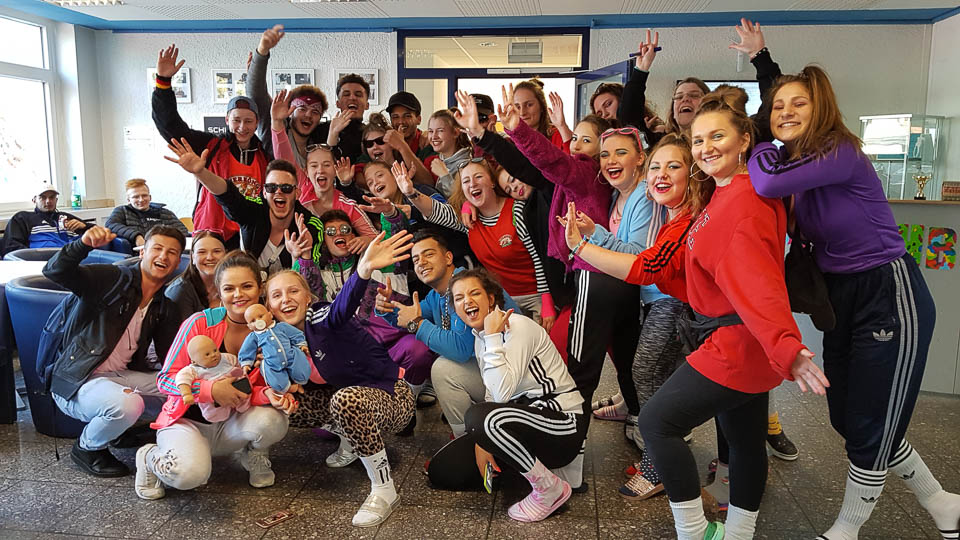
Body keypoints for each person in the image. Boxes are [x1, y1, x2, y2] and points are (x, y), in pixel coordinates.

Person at [750, 65, 960, 540]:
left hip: (888, 291)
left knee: (870, 421)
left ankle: (848, 527)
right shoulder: (797, 164)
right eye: (777, 106)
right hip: (842, 295)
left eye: (798, 103)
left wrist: (760, 140)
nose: (785, 112)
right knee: (848, 417)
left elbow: (765, 182)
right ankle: (942, 502)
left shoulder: (838, 150)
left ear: (820, 107)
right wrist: (764, 68)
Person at [634, 89, 828, 540]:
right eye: (698, 140)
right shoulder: (728, 192)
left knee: (657, 422)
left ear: (744, 140)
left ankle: (694, 532)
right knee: (743, 440)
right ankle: (738, 533)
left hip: (738, 343)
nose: (705, 148)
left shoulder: (742, 202)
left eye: (717, 136)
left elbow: (757, 281)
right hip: (740, 338)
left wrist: (785, 344)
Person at [561, 133, 710, 500]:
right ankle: (662, 454)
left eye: (673, 166)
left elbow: (646, 265)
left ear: (692, 174)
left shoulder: (681, 218)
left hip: (672, 303)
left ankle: (661, 464)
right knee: (650, 377)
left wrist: (582, 246)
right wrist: (594, 234)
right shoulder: (671, 215)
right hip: (661, 301)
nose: (660, 175)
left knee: (647, 375)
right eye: (657, 167)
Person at [272, 231, 417, 527]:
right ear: (268, 306)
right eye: (276, 295)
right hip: (346, 398)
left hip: (393, 396)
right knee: (285, 402)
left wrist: (363, 270)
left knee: (346, 400)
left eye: (293, 291)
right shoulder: (278, 339)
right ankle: (352, 441)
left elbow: (340, 308)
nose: (285, 300)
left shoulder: (319, 316)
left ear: (308, 297)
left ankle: (384, 489)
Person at [136, 250, 295, 500]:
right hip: (188, 422)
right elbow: (165, 379)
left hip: (232, 423)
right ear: (219, 293)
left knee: (273, 421)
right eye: (229, 288)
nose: (238, 294)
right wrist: (210, 391)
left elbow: (257, 387)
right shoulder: (199, 324)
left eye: (247, 286)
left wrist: (272, 395)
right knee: (189, 476)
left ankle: (254, 453)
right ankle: (149, 457)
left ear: (260, 288)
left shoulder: (272, 331)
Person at [43, 224, 186, 477]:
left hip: (119, 377)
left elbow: (169, 360)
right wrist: (82, 245)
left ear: (178, 262)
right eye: (157, 248)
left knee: (183, 389)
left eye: (172, 252)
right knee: (128, 404)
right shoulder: (111, 279)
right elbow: (55, 270)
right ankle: (87, 447)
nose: (163, 256)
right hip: (79, 380)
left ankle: (119, 431)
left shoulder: (164, 306)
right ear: (142, 252)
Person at [452, 268, 587, 523]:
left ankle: (549, 488)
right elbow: (491, 391)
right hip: (529, 421)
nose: (466, 301)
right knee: (447, 471)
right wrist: (482, 442)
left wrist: (493, 337)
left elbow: (501, 393)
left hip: (563, 424)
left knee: (478, 418)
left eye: (474, 293)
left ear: (491, 298)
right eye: (459, 298)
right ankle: (535, 473)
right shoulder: (480, 337)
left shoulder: (517, 326)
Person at [375, 228, 519, 437]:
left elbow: (461, 349)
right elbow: (411, 316)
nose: (421, 262)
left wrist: (417, 324)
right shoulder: (437, 294)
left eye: (429, 254)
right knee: (440, 356)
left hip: (514, 378)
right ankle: (468, 437)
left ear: (448, 257)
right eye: (416, 260)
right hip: (492, 371)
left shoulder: (465, 287)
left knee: (443, 367)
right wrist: (387, 309)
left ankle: (467, 439)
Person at [152, 45, 268, 249]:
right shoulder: (210, 146)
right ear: (227, 120)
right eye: (236, 120)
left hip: (250, 234)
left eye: (249, 121)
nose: (242, 127)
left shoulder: (265, 155)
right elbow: (170, 126)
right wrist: (163, 83)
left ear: (257, 123)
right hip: (212, 233)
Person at [407, 158, 549, 320]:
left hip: (535, 296)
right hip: (503, 299)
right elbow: (434, 211)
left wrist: (546, 302)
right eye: (466, 181)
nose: (472, 184)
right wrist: (410, 192)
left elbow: (539, 258)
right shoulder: (468, 220)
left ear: (492, 182)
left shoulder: (516, 211)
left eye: (478, 177)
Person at [164, 137, 323, 273]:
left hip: (289, 293)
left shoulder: (311, 225)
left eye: (286, 188)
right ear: (264, 192)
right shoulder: (253, 210)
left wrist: (303, 257)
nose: (279, 192)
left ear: (297, 193)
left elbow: (314, 280)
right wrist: (200, 172)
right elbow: (227, 194)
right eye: (271, 187)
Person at [270, 90, 377, 239]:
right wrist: (276, 123)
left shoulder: (348, 206)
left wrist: (365, 241)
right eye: (314, 166)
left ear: (335, 170)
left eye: (326, 165)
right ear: (306, 171)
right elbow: (284, 160)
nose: (320, 170)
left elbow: (375, 238)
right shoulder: (302, 188)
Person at [246, 25, 330, 170]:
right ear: (290, 111)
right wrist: (262, 52)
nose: (308, 115)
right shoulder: (275, 130)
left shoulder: (319, 144)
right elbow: (257, 94)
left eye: (315, 111)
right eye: (302, 108)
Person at [2, 183, 91, 256]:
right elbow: (10, 246)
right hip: (44, 261)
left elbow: (96, 234)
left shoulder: (66, 217)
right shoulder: (22, 218)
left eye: (52, 197)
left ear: (56, 200)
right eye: (43, 197)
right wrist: (33, 258)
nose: (48, 201)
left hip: (76, 259)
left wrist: (85, 227)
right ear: (34, 200)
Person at [175, 335, 248, 421]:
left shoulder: (226, 358)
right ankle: (219, 415)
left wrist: (241, 369)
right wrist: (186, 394)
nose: (213, 355)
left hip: (235, 386)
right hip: (213, 399)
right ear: (194, 361)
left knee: (244, 393)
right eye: (207, 354)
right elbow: (182, 379)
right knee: (213, 410)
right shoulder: (194, 369)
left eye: (215, 350)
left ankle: (242, 405)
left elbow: (237, 362)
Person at [105, 178, 189, 248]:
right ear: (128, 200)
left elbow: (182, 231)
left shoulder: (165, 213)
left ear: (150, 197)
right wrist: (136, 236)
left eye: (144, 195)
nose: (141, 200)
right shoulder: (122, 211)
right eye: (136, 197)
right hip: (137, 255)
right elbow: (110, 225)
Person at [165, 230, 227, 323]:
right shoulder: (180, 291)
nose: (210, 257)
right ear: (193, 257)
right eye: (202, 252)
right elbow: (182, 331)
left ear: (226, 254)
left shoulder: (234, 283)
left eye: (216, 251)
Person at [423, 109, 473, 198]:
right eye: (431, 131)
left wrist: (444, 175)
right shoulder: (438, 160)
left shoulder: (467, 163)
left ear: (455, 133)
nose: (434, 136)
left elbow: (462, 199)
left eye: (440, 130)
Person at [326, 73, 371, 162]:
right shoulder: (321, 130)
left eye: (358, 95)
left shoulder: (371, 135)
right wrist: (333, 135)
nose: (352, 98)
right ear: (338, 104)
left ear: (367, 105)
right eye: (346, 94)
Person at [386, 90, 433, 160]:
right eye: (395, 117)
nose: (401, 121)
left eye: (407, 116)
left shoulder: (427, 144)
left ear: (419, 119)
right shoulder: (384, 144)